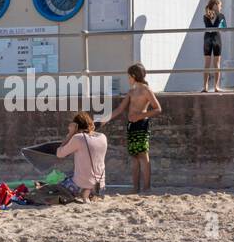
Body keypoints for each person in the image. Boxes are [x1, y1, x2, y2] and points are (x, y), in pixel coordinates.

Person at [108, 63, 162, 194]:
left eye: (128, 76)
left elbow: (158, 109)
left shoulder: (146, 90)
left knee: (143, 156)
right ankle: (135, 188)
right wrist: (104, 119)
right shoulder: (131, 91)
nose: (128, 78)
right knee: (134, 157)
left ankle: (147, 188)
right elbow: (120, 109)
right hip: (131, 126)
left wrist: (140, 115)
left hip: (141, 125)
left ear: (133, 75)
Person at [55, 112, 107, 201]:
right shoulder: (102, 137)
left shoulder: (78, 138)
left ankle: (85, 191)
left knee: (58, 186)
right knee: (74, 175)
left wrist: (71, 134)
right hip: (100, 187)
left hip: (80, 186)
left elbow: (59, 153)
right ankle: (91, 193)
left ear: (76, 126)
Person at [202, 0, 226, 93]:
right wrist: (220, 22)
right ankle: (211, 86)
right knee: (212, 64)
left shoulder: (208, 15)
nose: (221, 7)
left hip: (210, 39)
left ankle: (210, 86)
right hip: (214, 39)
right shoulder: (210, 15)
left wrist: (220, 23)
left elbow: (222, 28)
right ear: (215, 5)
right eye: (220, 5)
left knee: (211, 64)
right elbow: (220, 28)